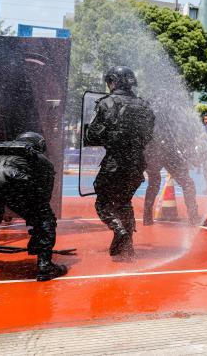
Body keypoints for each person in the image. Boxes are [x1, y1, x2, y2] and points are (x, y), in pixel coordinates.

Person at [0, 132, 67, 281]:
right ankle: (45, 265)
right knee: (45, 218)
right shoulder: (38, 158)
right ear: (39, 144)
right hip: (8, 181)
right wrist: (32, 216)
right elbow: (44, 196)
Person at [85, 66, 155, 258]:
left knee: (103, 203)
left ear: (114, 81)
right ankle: (125, 247)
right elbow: (148, 135)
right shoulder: (144, 105)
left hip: (115, 162)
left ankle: (120, 231)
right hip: (137, 163)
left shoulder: (106, 103)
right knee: (124, 202)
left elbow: (92, 136)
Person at [143, 122, 198, 226]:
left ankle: (147, 217)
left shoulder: (151, 114)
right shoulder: (170, 114)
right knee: (187, 183)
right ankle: (193, 216)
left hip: (155, 151)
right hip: (165, 151)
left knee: (154, 183)